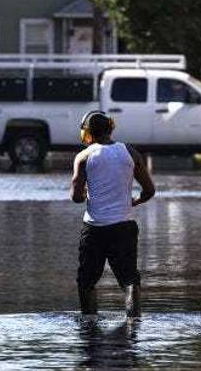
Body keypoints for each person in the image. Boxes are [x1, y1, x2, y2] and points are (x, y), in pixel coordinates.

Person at [70, 110, 156, 319]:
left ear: (88, 133)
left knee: (87, 281)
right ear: (111, 128)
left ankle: (89, 325)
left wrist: (86, 192)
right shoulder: (130, 152)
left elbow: (76, 197)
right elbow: (149, 191)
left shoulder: (83, 157)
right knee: (129, 280)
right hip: (124, 227)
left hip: (94, 229)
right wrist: (132, 202)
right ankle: (134, 324)